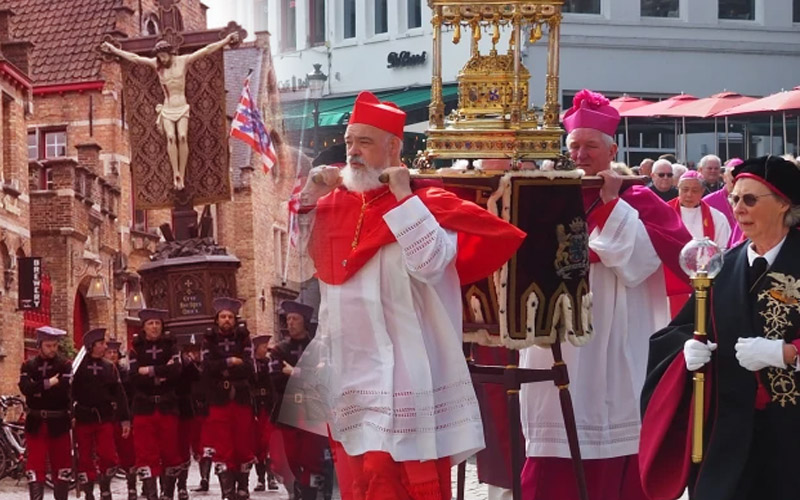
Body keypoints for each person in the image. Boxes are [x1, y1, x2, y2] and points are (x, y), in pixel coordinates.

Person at [296, 90, 525, 499]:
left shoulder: (426, 202)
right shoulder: (334, 205)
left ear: (393, 148)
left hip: (406, 368)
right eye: (349, 142)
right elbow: (295, 262)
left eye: (364, 142)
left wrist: (403, 197)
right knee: (358, 475)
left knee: (401, 475)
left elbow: (431, 263)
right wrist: (311, 195)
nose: (352, 152)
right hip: (351, 366)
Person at [518, 89, 692, 500]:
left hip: (617, 334)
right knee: (554, 429)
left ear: (612, 150)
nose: (580, 154)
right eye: (574, 146)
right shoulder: (550, 194)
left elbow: (640, 262)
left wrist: (613, 203)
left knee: (616, 419)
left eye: (590, 146)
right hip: (558, 334)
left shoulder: (639, 198)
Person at [640, 155, 800, 500]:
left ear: (783, 204)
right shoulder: (722, 266)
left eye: (750, 199)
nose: (738, 209)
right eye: (734, 198)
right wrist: (686, 349)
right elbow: (682, 329)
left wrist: (787, 353)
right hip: (729, 430)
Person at [100, 33, 239, 190]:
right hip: (167, 108)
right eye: (159, 57)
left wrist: (226, 40)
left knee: (182, 136)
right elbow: (135, 58)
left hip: (182, 106)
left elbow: (206, 50)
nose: (162, 59)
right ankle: (176, 174)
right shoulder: (157, 65)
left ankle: (182, 173)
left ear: (170, 53)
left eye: (164, 56)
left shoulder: (182, 61)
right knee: (171, 137)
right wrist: (114, 50)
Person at [269, 301, 328, 499]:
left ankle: (310, 494)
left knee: (313, 459)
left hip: (313, 410)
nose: (290, 323)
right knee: (285, 459)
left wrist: (294, 372)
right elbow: (276, 380)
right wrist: (308, 374)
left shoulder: (319, 349)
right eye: (288, 319)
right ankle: (294, 490)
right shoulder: (279, 350)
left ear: (305, 322)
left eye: (295, 319)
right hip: (287, 409)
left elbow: (323, 379)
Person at [201, 297, 256, 500]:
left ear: (235, 319)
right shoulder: (208, 340)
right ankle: (227, 490)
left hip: (241, 397)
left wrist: (222, 367)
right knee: (223, 445)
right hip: (219, 398)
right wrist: (231, 361)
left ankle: (243, 486)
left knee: (243, 443)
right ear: (217, 320)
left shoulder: (244, 338)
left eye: (230, 317)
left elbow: (249, 368)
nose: (226, 320)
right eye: (223, 316)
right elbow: (207, 368)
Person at [128, 309, 182, 500]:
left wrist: (148, 371)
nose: (154, 327)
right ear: (143, 327)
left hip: (167, 405)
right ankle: (151, 495)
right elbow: (134, 377)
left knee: (170, 452)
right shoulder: (135, 349)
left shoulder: (171, 346)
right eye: (150, 323)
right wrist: (162, 370)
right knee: (145, 453)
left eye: (157, 323)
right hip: (144, 407)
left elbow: (176, 371)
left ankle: (168, 494)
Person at [72, 328, 131, 500]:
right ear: (92, 346)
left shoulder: (109, 367)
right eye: (101, 343)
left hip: (104, 418)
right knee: (85, 457)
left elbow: (120, 394)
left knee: (108, 456)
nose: (105, 346)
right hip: (83, 417)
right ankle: (89, 492)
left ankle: (105, 489)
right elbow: (70, 393)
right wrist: (71, 414)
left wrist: (125, 419)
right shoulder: (78, 367)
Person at [19, 326, 73, 500]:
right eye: (48, 346)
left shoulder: (65, 365)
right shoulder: (28, 365)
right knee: (35, 466)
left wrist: (37, 388)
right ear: (39, 345)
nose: (52, 349)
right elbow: (25, 388)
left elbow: (63, 391)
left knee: (62, 466)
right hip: (35, 422)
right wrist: (48, 383)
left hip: (59, 421)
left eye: (55, 345)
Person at [105, 339, 138, 500]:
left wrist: (128, 416)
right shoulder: (101, 371)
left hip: (122, 417)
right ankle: (105, 490)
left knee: (128, 453)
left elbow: (130, 396)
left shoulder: (125, 373)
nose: (112, 355)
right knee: (106, 455)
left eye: (114, 353)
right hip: (105, 418)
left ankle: (132, 487)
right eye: (109, 352)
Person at [669, 170, 731, 249]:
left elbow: (723, 247)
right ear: (678, 189)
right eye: (685, 190)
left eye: (694, 191)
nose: (689, 194)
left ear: (702, 191)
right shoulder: (666, 213)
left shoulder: (716, 217)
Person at [251, 334, 279, 492]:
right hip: (256, 407)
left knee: (270, 444)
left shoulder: (269, 364)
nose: (265, 349)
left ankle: (271, 477)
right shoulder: (251, 365)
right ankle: (260, 479)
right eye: (263, 346)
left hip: (268, 407)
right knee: (257, 445)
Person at [175, 341, 203, 500]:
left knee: (184, 448)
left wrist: (186, 361)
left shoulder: (185, 362)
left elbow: (197, 376)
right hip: (165, 406)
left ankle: (182, 486)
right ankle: (166, 488)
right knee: (166, 449)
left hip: (184, 408)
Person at [703, 158, 745, 247]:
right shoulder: (708, 201)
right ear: (724, 177)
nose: (737, 184)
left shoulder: (751, 200)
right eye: (733, 180)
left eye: (741, 180)